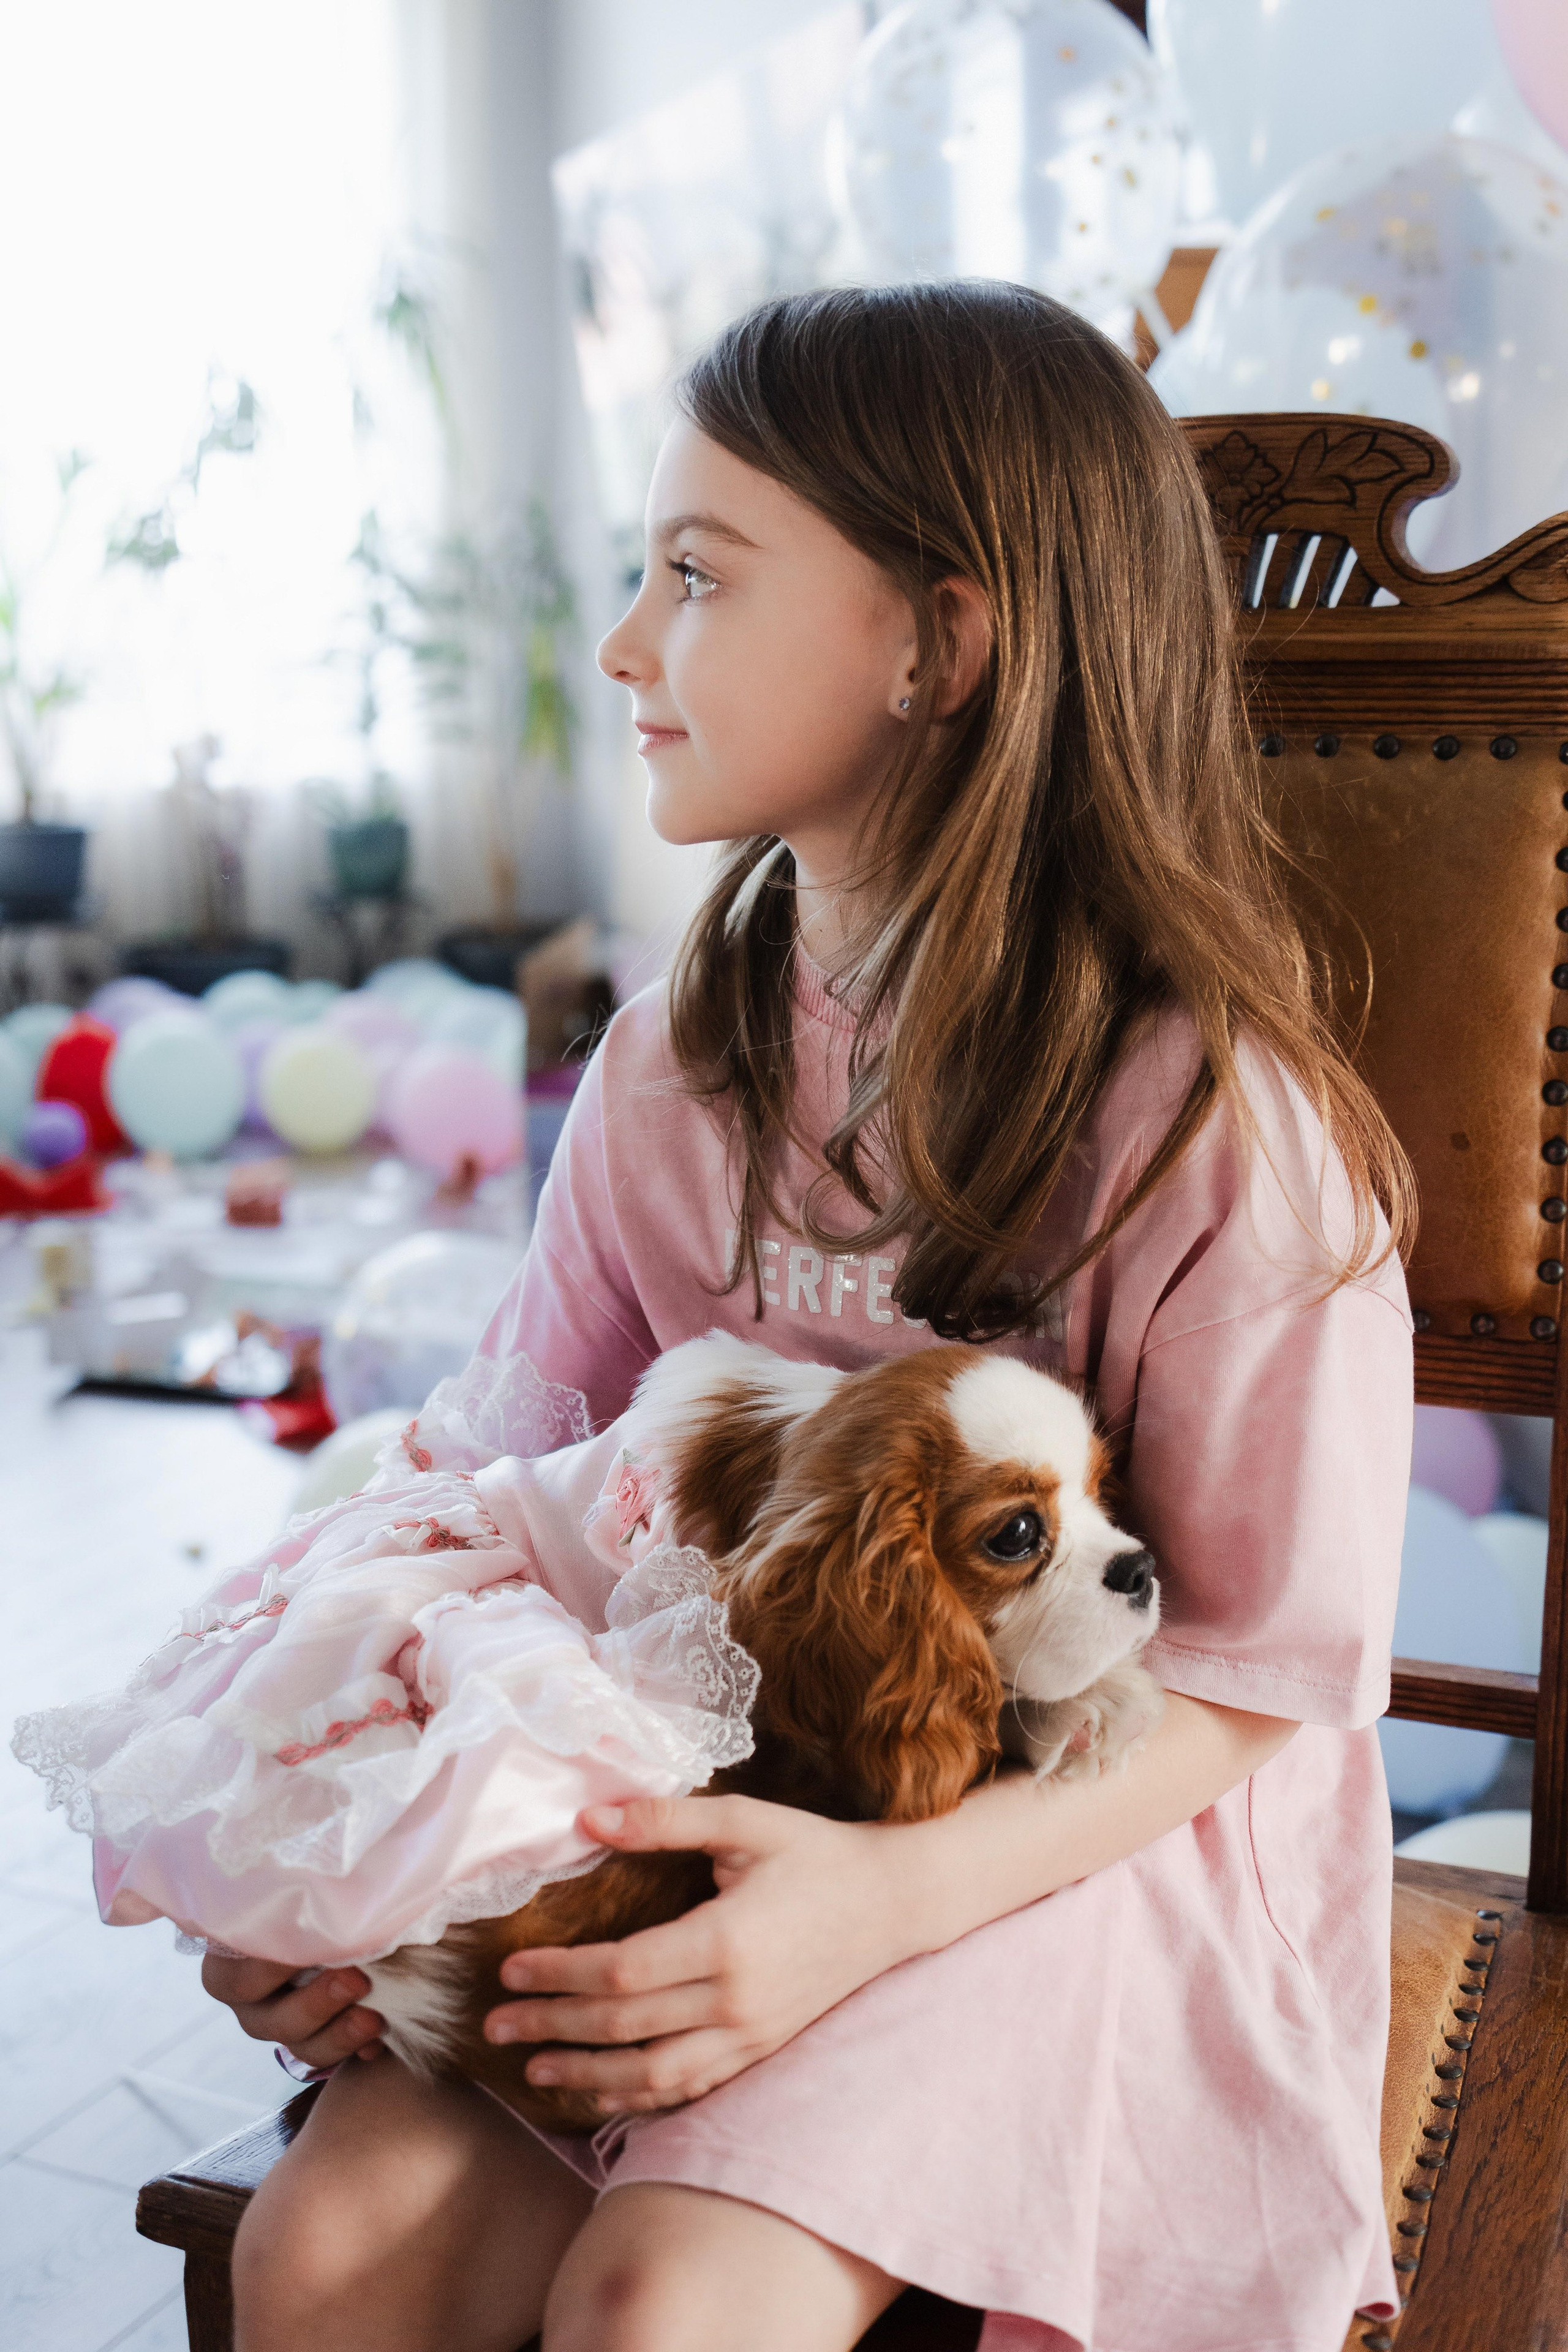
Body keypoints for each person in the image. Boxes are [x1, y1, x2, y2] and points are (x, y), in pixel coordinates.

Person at [209, 285, 1414, 2352]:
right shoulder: (678, 1064)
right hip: (690, 1789)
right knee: (320, 2258)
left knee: (666, 2310)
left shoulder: (1216, 1123)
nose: (621, 647)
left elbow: (1254, 1680)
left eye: (694, 575)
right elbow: (501, 1507)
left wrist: (877, 1897)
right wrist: (344, 1865)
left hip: (1068, 1835)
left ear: (940, 644)